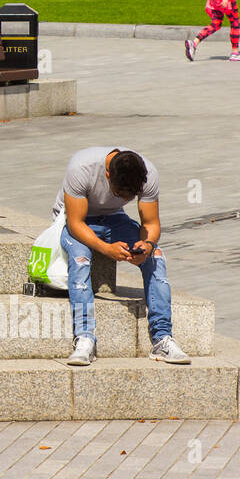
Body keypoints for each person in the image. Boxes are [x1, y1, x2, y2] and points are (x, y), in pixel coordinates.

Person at [54, 147, 191, 367]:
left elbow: (151, 224)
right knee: (80, 261)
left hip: (115, 219)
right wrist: (105, 249)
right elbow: (75, 223)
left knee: (156, 256)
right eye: (120, 195)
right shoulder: (81, 168)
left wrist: (147, 244)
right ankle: (84, 338)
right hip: (76, 220)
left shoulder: (147, 174)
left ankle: (162, 339)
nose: (126, 199)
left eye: (132, 196)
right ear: (108, 175)